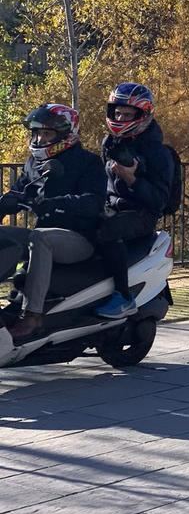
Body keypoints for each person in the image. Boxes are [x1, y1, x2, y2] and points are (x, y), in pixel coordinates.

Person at [0, 104, 106, 341]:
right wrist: (6, 203)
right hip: (45, 234)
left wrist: (55, 203)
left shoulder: (88, 162)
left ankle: (32, 316)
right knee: (5, 236)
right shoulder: (33, 163)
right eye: (36, 133)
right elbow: (20, 192)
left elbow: (93, 202)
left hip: (79, 238)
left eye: (46, 133)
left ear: (65, 134)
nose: (39, 138)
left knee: (40, 237)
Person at [95, 82, 172, 319]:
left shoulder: (158, 152)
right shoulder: (110, 143)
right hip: (111, 208)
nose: (120, 117)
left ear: (143, 114)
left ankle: (123, 296)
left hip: (142, 214)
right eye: (117, 112)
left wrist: (132, 181)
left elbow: (159, 200)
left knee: (106, 232)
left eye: (127, 114)